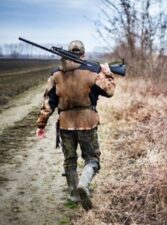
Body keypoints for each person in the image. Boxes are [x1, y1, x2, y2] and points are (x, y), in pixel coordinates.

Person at [35, 40, 116, 211]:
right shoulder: (92, 71)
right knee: (92, 159)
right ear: (83, 54)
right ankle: (84, 184)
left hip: (65, 124)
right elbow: (109, 91)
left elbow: (48, 102)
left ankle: (73, 194)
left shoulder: (55, 75)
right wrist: (107, 74)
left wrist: (41, 124)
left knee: (69, 161)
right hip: (88, 122)